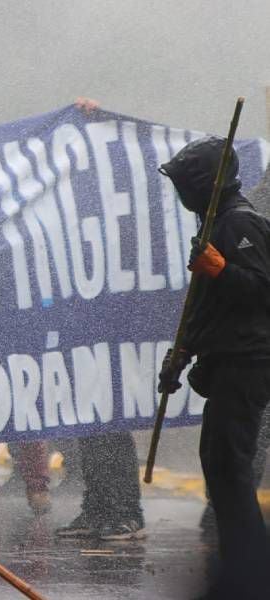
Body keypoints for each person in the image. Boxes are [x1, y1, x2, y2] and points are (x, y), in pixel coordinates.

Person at [158, 135, 270, 599]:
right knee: (220, 466)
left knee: (230, 467)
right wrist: (180, 352)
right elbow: (205, 304)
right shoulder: (214, 223)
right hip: (227, 359)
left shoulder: (239, 222)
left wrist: (221, 267)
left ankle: (252, 574)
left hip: (249, 360)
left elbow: (262, 289)